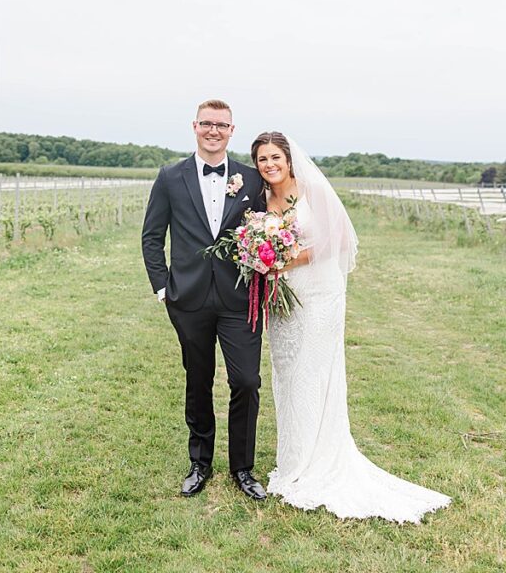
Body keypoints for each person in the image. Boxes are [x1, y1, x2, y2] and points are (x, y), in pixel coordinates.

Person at [251, 131, 450, 522]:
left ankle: (318, 461)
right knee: (287, 374)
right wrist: (264, 257)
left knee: (314, 375)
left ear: (289, 159)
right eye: (262, 159)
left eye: (275, 157)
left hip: (318, 295)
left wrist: (286, 262)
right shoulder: (261, 199)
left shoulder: (313, 192)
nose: (269, 165)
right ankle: (293, 460)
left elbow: (338, 238)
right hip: (283, 299)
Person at [140, 99, 269, 500]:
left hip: (239, 298)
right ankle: (200, 462)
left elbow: (267, 230)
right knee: (198, 380)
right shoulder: (169, 177)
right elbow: (151, 236)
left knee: (246, 381)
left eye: (222, 125)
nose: (214, 131)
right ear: (194, 127)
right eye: (207, 124)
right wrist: (164, 287)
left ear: (233, 131)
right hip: (188, 299)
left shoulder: (251, 180)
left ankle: (243, 469)